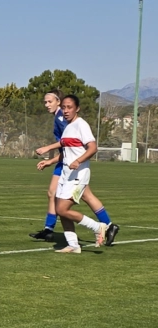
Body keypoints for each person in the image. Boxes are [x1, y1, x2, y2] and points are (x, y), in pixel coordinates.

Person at [31, 90, 119, 245]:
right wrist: (51, 159)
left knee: (57, 199)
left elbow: (79, 144)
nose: (46, 105)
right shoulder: (66, 120)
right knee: (85, 195)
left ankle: (51, 229)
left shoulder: (64, 120)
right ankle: (107, 227)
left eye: (49, 101)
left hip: (71, 165)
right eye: (45, 102)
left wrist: (50, 152)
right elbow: (66, 143)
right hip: (67, 164)